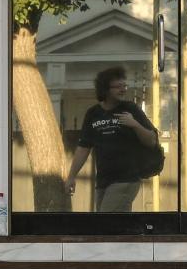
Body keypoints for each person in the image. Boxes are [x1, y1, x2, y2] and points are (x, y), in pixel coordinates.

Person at [65, 66, 158, 212]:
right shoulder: (93, 113)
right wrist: (71, 176)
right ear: (105, 89)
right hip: (103, 181)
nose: (123, 89)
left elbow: (152, 140)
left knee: (106, 222)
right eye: (118, 86)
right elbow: (83, 148)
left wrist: (135, 125)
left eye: (124, 85)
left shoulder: (131, 109)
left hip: (126, 179)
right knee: (115, 226)